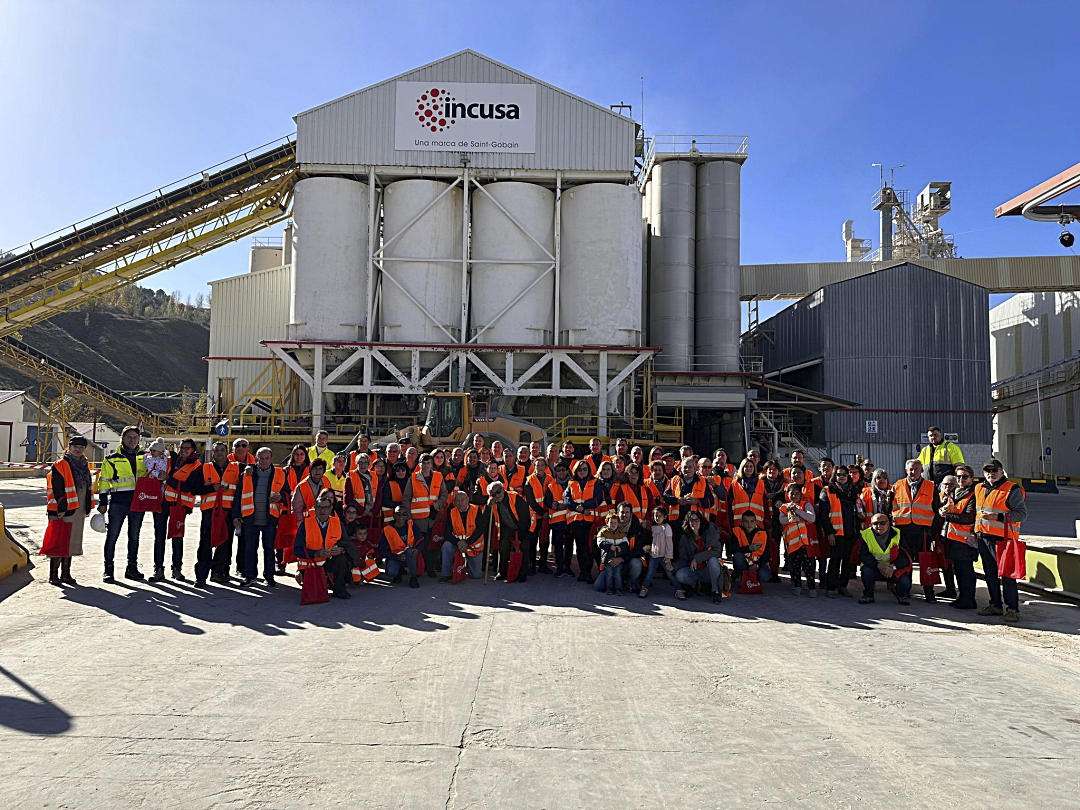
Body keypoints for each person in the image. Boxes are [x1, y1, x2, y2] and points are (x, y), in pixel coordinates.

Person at [974, 459, 1027, 622]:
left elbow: (1021, 514)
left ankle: (1012, 609)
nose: (991, 473)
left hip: (1003, 540)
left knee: (1007, 575)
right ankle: (995, 605)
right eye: (987, 471)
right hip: (983, 537)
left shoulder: (1012, 489)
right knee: (990, 573)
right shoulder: (979, 488)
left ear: (1001, 471)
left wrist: (999, 516)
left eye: (994, 470)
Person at [95, 426, 148, 583]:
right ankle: (108, 570)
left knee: (134, 537)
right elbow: (104, 481)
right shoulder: (111, 459)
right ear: (122, 439)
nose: (132, 440)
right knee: (112, 536)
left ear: (139, 439)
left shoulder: (145, 457)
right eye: (129, 437)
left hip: (138, 502)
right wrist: (103, 501)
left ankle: (131, 569)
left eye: (135, 437)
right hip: (118, 503)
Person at [232, 447, 287, 588]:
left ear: (271, 459)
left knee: (269, 549)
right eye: (260, 458)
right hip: (250, 517)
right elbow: (238, 495)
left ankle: (269, 577)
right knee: (250, 549)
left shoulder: (280, 473)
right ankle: (250, 576)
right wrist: (237, 515)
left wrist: (281, 497)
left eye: (267, 458)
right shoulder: (248, 473)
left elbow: (288, 492)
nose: (263, 461)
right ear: (256, 459)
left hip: (270, 518)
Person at [45, 435, 94, 586]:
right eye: (75, 447)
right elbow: (57, 488)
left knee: (71, 541)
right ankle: (54, 575)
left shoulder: (84, 464)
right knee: (60, 540)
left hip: (77, 509)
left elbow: (87, 486)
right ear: (69, 447)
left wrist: (87, 506)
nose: (78, 450)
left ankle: (66, 573)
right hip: (63, 509)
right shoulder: (60, 464)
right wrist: (60, 508)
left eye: (81, 447)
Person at [154, 438, 201, 582]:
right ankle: (159, 570)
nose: (184, 450)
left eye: (187, 448)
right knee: (159, 537)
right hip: (163, 503)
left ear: (193, 449)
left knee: (177, 537)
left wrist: (168, 479)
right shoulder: (171, 459)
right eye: (182, 447)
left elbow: (190, 487)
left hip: (180, 506)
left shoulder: (197, 465)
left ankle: (176, 569)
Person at [892, 459, 938, 602]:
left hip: (923, 530)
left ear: (922, 470)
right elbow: (891, 507)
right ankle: (904, 591)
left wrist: (934, 532)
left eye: (916, 469)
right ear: (906, 470)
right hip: (903, 529)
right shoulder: (897, 485)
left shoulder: (931, 486)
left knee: (926, 561)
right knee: (904, 561)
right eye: (911, 469)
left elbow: (936, 509)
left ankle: (929, 592)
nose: (913, 472)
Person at [192, 441, 236, 587]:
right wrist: (212, 488)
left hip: (228, 511)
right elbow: (194, 488)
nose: (219, 453)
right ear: (213, 453)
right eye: (217, 451)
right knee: (205, 542)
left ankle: (218, 573)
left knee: (225, 542)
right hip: (209, 511)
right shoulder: (205, 468)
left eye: (222, 450)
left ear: (227, 452)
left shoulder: (236, 468)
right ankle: (201, 576)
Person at [293, 489, 351, 599]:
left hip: (329, 561)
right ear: (315, 508)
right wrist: (316, 553)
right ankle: (307, 579)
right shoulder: (305, 524)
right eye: (319, 507)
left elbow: (346, 543)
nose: (322, 510)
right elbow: (297, 549)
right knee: (315, 593)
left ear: (331, 509)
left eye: (326, 507)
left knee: (342, 559)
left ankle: (339, 589)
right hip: (311, 564)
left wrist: (341, 549)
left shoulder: (337, 523)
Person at [939, 466, 979, 610]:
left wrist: (947, 515)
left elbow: (969, 518)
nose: (961, 479)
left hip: (965, 541)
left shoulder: (973, 495)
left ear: (971, 478)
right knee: (959, 571)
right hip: (953, 539)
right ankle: (962, 597)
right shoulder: (955, 492)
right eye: (959, 476)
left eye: (965, 477)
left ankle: (969, 599)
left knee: (966, 572)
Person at [819, 463, 859, 597]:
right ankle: (831, 587)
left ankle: (843, 586)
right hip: (836, 533)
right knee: (835, 561)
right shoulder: (827, 490)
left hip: (850, 532)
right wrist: (829, 532)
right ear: (834, 476)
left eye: (844, 474)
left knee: (847, 561)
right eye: (838, 474)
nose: (841, 477)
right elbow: (823, 515)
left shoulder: (853, 491)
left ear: (848, 476)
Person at [405, 453, 448, 576]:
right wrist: (408, 516)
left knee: (432, 544)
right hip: (418, 518)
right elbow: (406, 498)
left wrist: (438, 504)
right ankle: (421, 568)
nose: (426, 465)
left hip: (433, 516)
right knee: (421, 545)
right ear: (419, 464)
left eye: (428, 463)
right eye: (423, 463)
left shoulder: (438, 476)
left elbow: (444, 494)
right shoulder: (413, 478)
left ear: (432, 464)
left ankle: (430, 568)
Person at [858, 513, 913, 605]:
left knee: (905, 581)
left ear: (889, 523)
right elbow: (863, 556)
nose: (879, 526)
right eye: (875, 523)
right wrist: (878, 565)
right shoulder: (865, 534)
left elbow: (906, 557)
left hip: (892, 569)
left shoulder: (898, 533)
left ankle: (902, 595)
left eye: (882, 523)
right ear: (871, 524)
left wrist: (893, 567)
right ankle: (868, 595)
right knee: (866, 571)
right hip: (875, 567)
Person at [672, 510, 725, 603]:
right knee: (680, 575)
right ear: (687, 523)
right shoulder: (685, 538)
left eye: (697, 520)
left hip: (709, 570)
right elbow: (683, 558)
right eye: (691, 520)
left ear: (701, 521)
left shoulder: (709, 531)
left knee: (713, 560)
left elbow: (717, 551)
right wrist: (674, 568)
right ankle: (696, 586)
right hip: (695, 571)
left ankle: (715, 591)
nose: (694, 523)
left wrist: (697, 558)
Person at [486, 481, 529, 582]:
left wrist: (521, 533)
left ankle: (522, 574)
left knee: (523, 548)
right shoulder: (493, 502)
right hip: (506, 528)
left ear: (503, 490)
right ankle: (502, 572)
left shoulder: (515, 497)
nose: (496, 495)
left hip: (521, 526)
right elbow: (487, 518)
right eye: (493, 494)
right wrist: (488, 506)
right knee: (503, 548)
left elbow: (525, 516)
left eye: (498, 492)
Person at [779, 482, 817, 596]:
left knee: (809, 566)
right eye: (792, 493)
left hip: (805, 543)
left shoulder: (806, 505)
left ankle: (811, 587)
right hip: (791, 543)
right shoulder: (784, 507)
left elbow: (811, 518)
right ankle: (797, 585)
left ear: (801, 494)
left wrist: (798, 511)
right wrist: (792, 518)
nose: (794, 496)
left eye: (797, 493)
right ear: (787, 494)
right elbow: (782, 520)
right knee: (794, 566)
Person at [563, 460, 598, 582]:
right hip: (576, 521)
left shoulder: (595, 482)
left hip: (590, 521)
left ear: (588, 471)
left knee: (588, 548)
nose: (582, 472)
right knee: (579, 548)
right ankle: (583, 572)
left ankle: (588, 572)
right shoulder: (571, 483)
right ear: (576, 471)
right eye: (580, 469)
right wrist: (579, 508)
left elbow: (597, 499)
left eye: (585, 469)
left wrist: (581, 506)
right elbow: (567, 500)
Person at [440, 490, 486, 581]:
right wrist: (458, 542)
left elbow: (480, 530)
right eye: (457, 500)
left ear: (468, 499)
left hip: (473, 546)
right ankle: (446, 574)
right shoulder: (451, 512)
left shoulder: (476, 509)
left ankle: (465, 566)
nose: (460, 503)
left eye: (463, 499)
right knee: (446, 546)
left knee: (476, 575)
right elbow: (447, 533)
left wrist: (466, 542)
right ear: (454, 502)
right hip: (457, 544)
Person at [640, 506, 676, 598]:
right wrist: (648, 550)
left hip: (664, 556)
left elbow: (669, 543)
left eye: (660, 516)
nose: (657, 518)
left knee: (670, 573)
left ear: (665, 517)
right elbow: (651, 541)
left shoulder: (667, 527)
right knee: (650, 572)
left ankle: (679, 589)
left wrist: (668, 557)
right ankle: (644, 588)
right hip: (654, 555)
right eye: (656, 515)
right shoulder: (653, 527)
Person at [384, 505, 420, 587]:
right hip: (395, 556)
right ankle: (398, 573)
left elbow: (420, 540)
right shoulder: (387, 529)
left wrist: (417, 549)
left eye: (404, 514)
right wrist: (396, 557)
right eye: (398, 514)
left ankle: (413, 578)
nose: (401, 517)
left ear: (407, 516)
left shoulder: (411, 525)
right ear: (394, 515)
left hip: (409, 555)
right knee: (391, 572)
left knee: (410, 552)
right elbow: (382, 550)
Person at [594, 512, 629, 595]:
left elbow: (626, 544)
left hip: (618, 559)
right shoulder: (603, 532)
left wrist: (621, 547)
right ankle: (609, 589)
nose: (613, 524)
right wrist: (609, 546)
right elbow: (600, 543)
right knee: (609, 574)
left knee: (617, 574)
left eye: (615, 522)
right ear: (607, 522)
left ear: (618, 523)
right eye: (611, 522)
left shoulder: (621, 534)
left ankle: (618, 589)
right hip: (607, 560)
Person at [731, 510, 770, 584]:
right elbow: (732, 549)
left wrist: (757, 565)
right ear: (742, 522)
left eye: (752, 521)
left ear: (755, 522)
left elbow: (767, 554)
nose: (749, 524)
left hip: (758, 563)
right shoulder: (736, 531)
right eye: (746, 521)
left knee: (764, 576)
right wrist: (748, 548)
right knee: (737, 556)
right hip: (743, 563)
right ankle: (742, 575)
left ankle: (754, 579)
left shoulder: (763, 533)